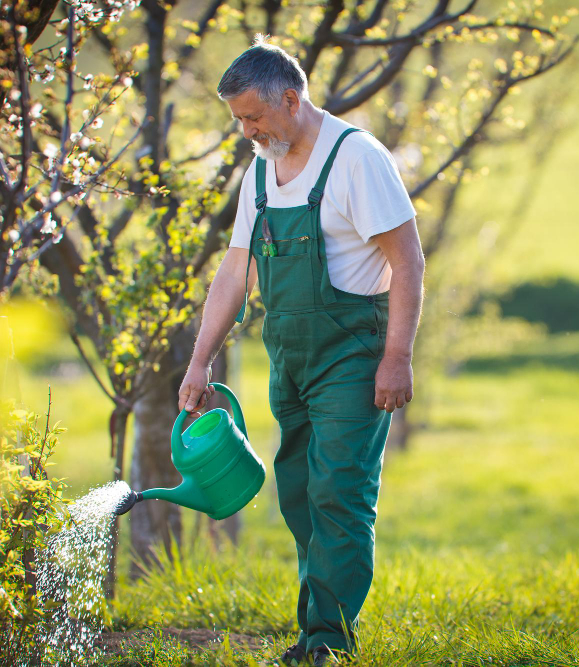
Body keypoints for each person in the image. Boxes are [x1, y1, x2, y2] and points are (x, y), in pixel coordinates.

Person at [177, 35, 425, 666]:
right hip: (289, 356)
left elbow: (407, 260)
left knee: (337, 490)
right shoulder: (261, 167)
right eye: (238, 120)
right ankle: (315, 629)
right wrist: (199, 360)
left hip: (353, 353)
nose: (246, 132)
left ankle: (328, 643)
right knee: (297, 492)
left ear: (290, 100)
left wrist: (397, 356)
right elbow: (236, 272)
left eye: (253, 117)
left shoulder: (355, 158)